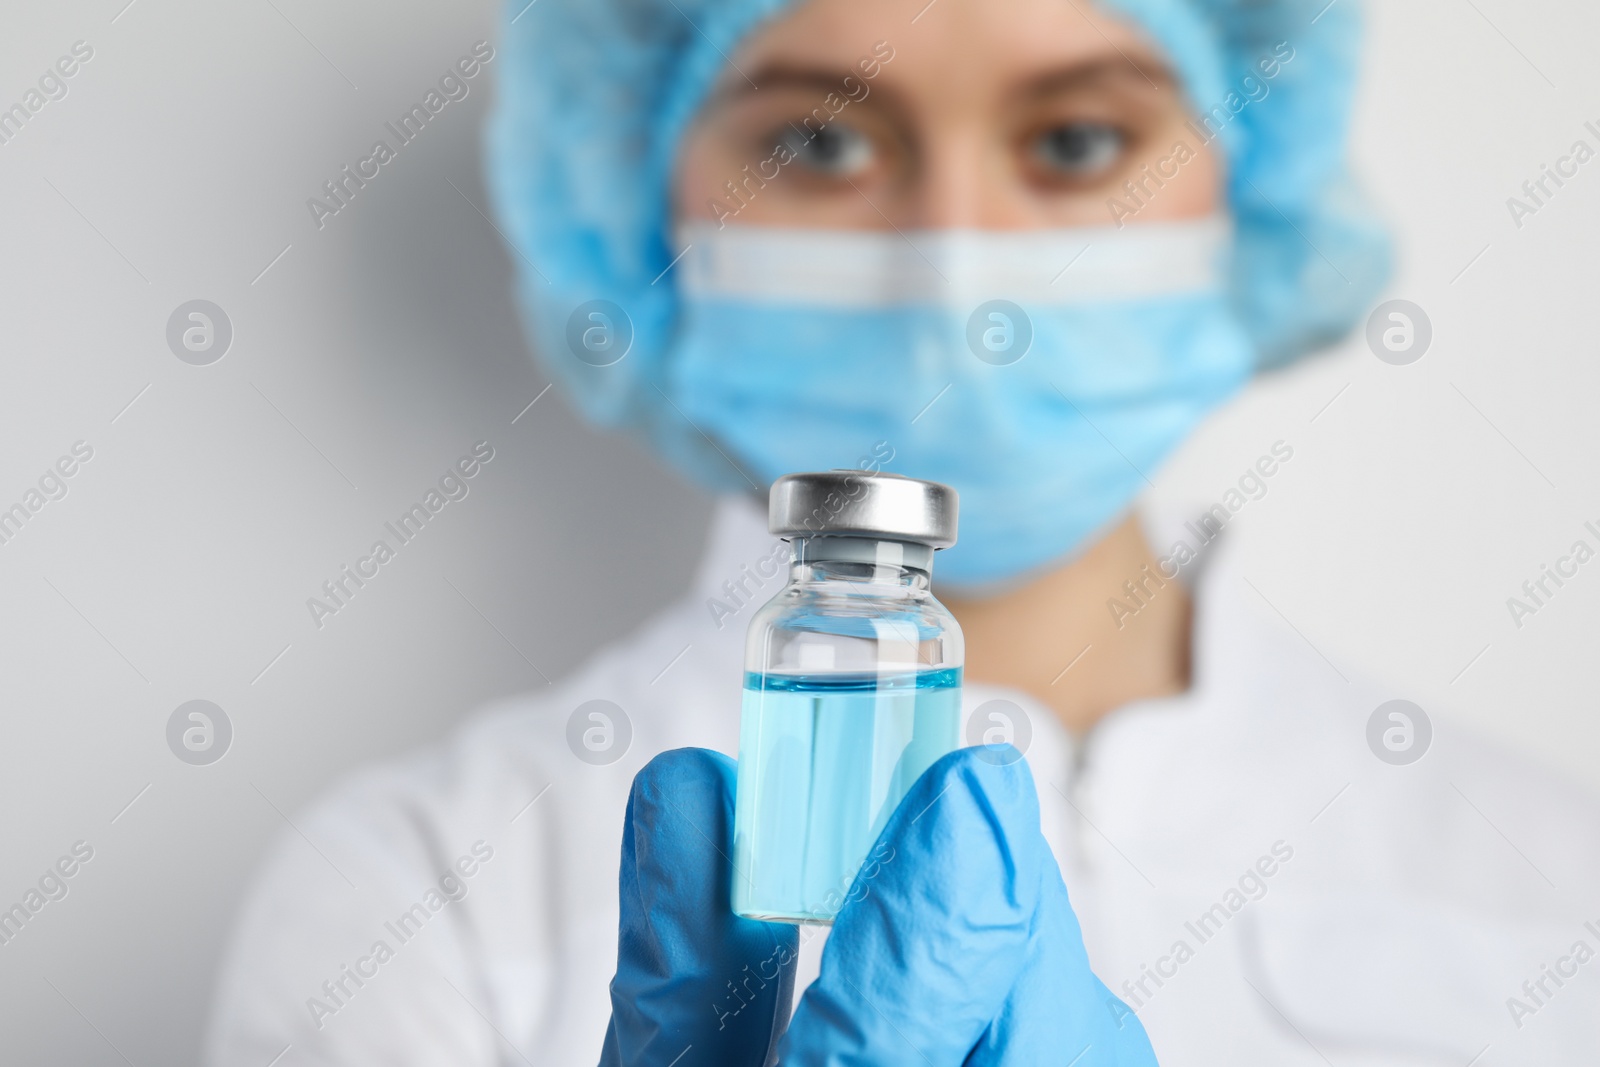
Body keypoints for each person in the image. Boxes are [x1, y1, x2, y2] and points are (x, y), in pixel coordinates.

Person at [205, 0, 1600, 1063]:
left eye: (1075, 141)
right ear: (640, 205)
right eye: (819, 141)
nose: (956, 263)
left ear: (1247, 189)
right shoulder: (424, 885)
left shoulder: (1550, 881)